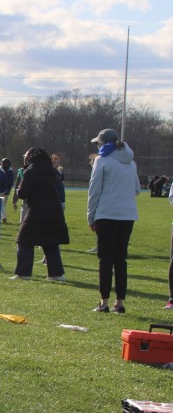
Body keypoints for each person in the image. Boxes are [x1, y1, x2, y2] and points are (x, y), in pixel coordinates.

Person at [87, 128, 139, 313]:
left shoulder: (102, 160)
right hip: (128, 215)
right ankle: (120, 303)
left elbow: (94, 190)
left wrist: (91, 216)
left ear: (102, 143)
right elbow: (137, 189)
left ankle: (104, 302)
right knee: (120, 259)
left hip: (107, 214)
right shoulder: (131, 162)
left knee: (105, 259)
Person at [9, 148, 69, 281]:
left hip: (37, 210)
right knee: (50, 242)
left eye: (26, 155)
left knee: (24, 240)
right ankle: (57, 274)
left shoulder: (31, 171)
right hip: (54, 211)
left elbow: (23, 193)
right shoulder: (51, 171)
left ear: (31, 156)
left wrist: (18, 190)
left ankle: (23, 273)